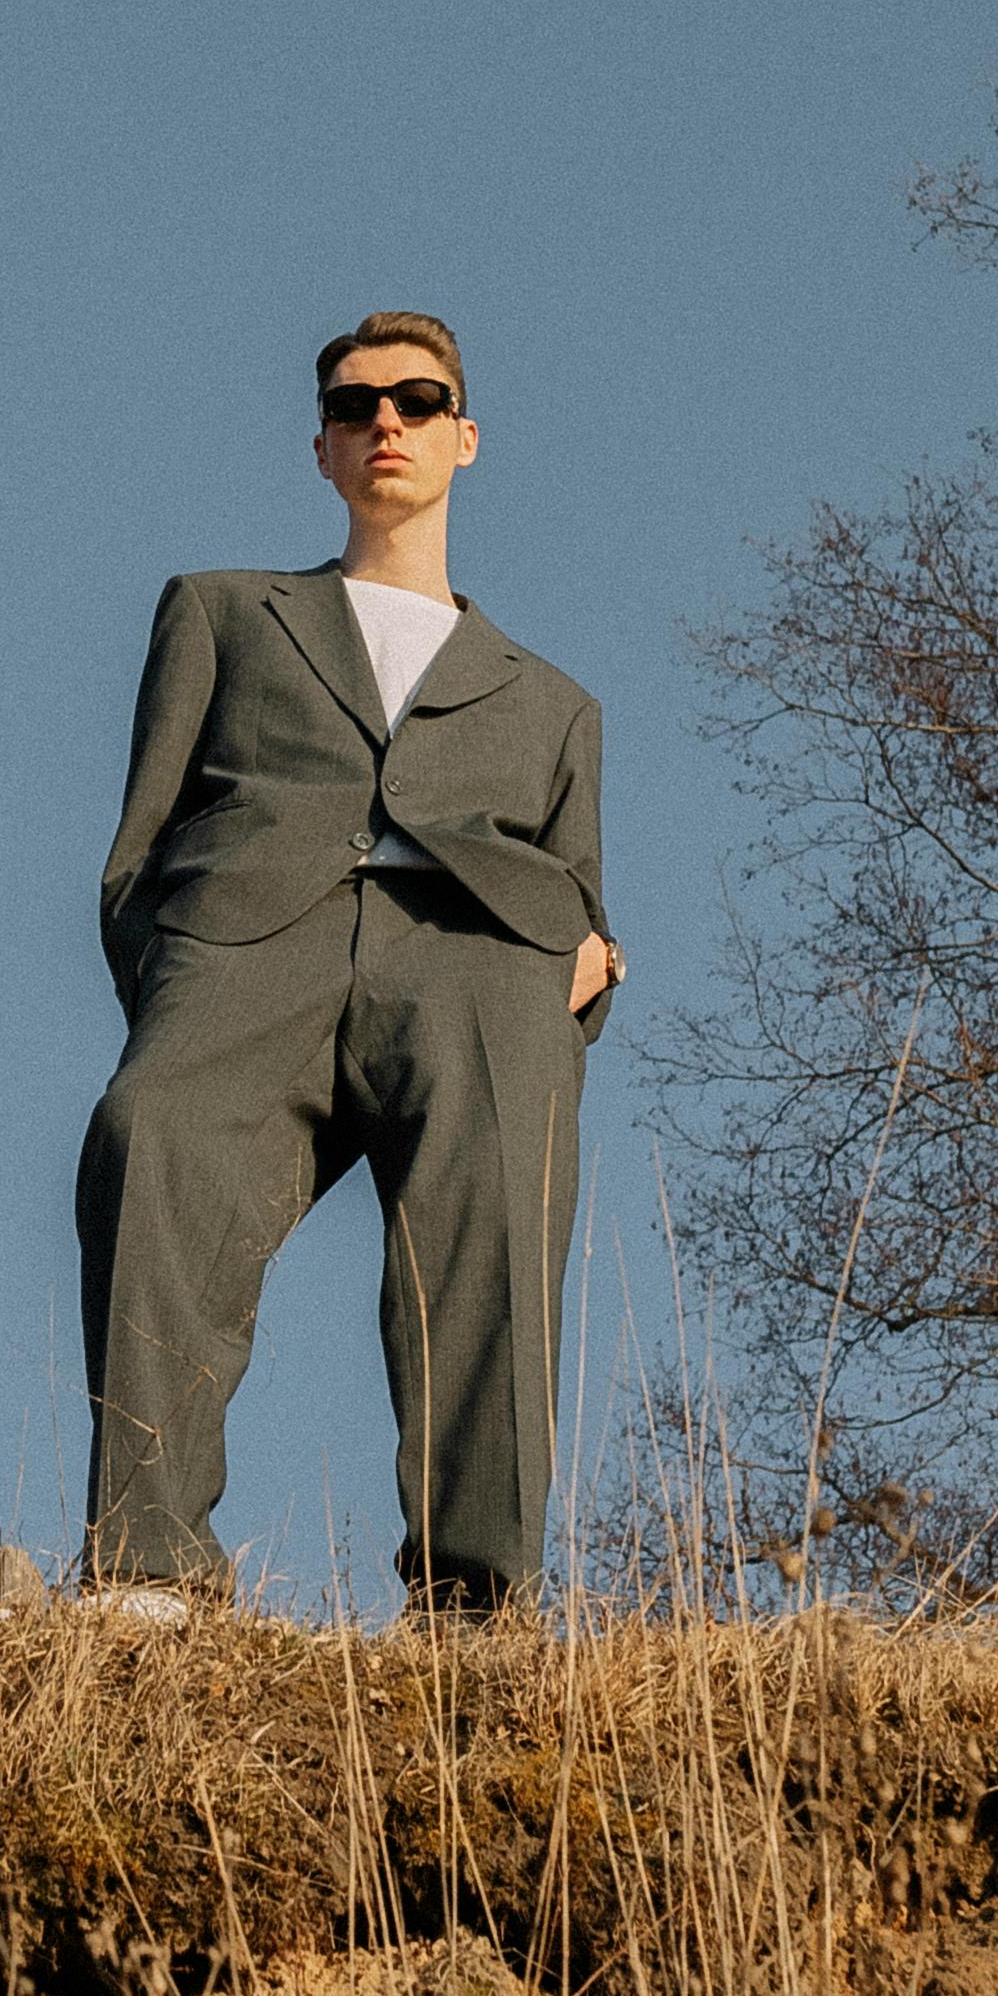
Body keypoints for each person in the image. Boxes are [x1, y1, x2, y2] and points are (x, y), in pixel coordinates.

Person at [77, 313, 619, 1609]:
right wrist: (177, 970)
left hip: (478, 958)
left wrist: (571, 973)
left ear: (464, 439)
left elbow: (583, 892)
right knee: (150, 1135)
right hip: (249, 940)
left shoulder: (552, 705)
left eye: (420, 401)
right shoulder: (221, 613)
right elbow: (138, 844)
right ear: (321, 447)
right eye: (357, 404)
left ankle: (474, 1606)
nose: (389, 421)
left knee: (493, 1228)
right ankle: (147, 1573)